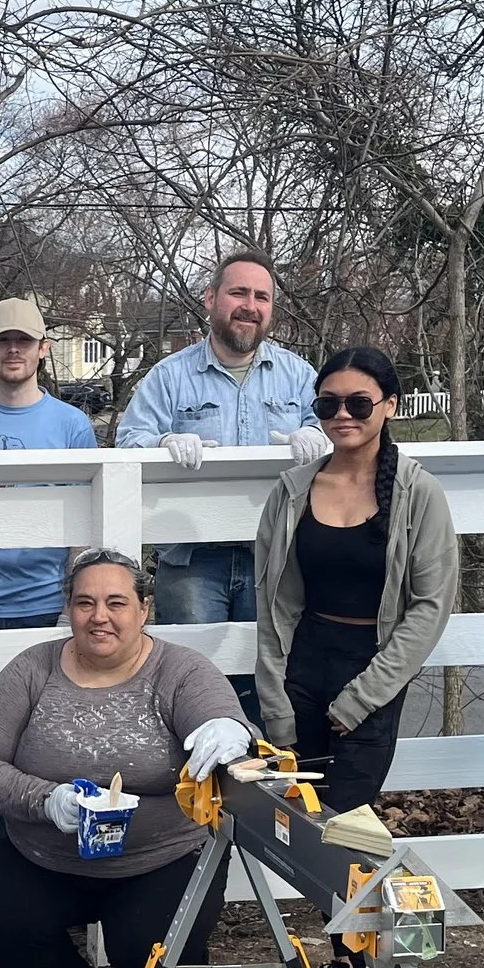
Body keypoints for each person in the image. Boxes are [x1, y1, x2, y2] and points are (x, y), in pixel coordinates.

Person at [252, 346, 460, 968]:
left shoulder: (419, 494)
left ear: (390, 406)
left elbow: (430, 607)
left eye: (358, 402)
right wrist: (278, 698)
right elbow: (272, 604)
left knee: (353, 834)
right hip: (304, 666)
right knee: (309, 831)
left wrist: (364, 695)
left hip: (374, 672)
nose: (342, 415)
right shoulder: (291, 491)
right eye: (328, 404)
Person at [0, 549, 255, 968]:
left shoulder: (180, 670)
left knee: (148, 944)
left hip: (161, 857)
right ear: (69, 609)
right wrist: (44, 799)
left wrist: (229, 728)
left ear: (144, 609)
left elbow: (219, 715)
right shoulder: (33, 669)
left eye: (116, 603)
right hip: (46, 854)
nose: (100, 616)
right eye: (85, 603)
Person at [115, 251, 319, 722]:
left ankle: (263, 769)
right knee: (192, 684)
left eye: (261, 296)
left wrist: (317, 434)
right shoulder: (170, 376)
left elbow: (340, 430)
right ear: (210, 299)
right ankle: (197, 770)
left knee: (271, 686)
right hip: (191, 560)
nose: (250, 305)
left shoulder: (300, 377)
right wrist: (162, 442)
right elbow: (128, 440)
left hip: (275, 557)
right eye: (238, 292)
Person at [0, 297, 100, 642]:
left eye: (24, 340)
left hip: (47, 604)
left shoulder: (72, 424)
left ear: (43, 348)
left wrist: (70, 608)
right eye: (3, 341)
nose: (13, 349)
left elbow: (85, 524)